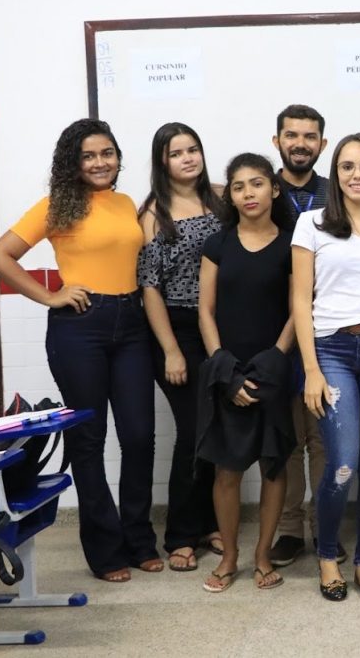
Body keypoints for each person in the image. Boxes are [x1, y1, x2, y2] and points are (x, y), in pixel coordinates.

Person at [0, 118, 159, 582]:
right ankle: (106, 552)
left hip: (133, 322)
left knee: (140, 435)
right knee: (89, 438)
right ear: (73, 163)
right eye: (88, 156)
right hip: (80, 327)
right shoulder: (57, 205)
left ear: (118, 157)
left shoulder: (125, 204)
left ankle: (140, 540)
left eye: (107, 153)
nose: (100, 163)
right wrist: (50, 295)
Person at [292, 133, 360, 602]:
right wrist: (312, 371)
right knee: (342, 462)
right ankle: (328, 557)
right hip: (331, 350)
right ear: (335, 174)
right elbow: (299, 300)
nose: (358, 175)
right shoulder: (311, 223)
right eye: (347, 166)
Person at [196, 153, 296, 593]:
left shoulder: (294, 243)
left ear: (274, 189)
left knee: (274, 467)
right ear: (230, 196)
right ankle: (231, 557)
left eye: (257, 184)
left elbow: (299, 309)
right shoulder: (219, 244)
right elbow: (205, 309)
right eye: (238, 186)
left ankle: (262, 556)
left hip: (274, 370)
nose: (248, 193)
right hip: (227, 371)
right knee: (227, 472)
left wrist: (274, 361)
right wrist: (226, 371)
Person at [137, 122, 225, 572]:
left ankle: (212, 521)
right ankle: (180, 534)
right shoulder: (154, 212)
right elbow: (149, 288)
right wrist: (170, 349)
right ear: (162, 161)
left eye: (194, 149)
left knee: (216, 427)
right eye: (177, 153)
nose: (188, 158)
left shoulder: (221, 196)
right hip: (177, 328)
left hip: (221, 325)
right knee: (193, 431)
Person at [268, 104, 334, 568]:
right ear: (277, 141)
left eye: (310, 137)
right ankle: (289, 529)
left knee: (323, 437)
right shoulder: (259, 191)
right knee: (287, 439)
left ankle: (325, 526)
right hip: (270, 333)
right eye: (292, 135)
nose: (301, 144)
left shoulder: (337, 194)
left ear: (322, 145)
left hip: (325, 328)